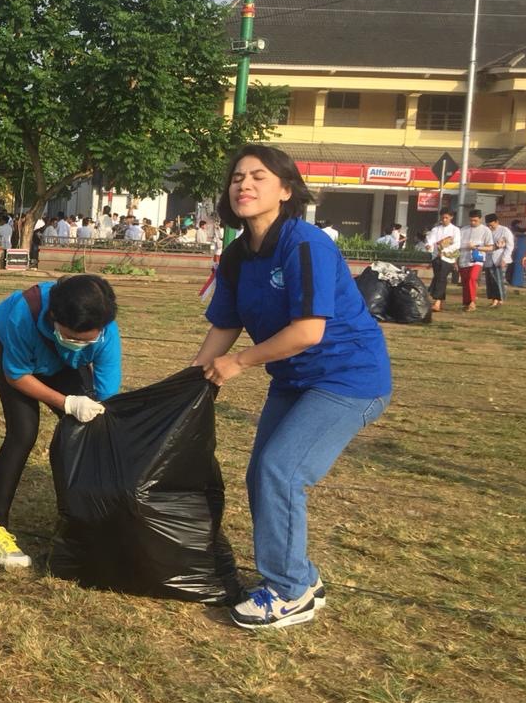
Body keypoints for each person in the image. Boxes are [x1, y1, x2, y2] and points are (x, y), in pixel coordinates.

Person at [193, 144, 391, 629]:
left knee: (282, 471)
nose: (244, 185)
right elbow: (225, 323)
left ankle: (288, 591)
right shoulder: (239, 255)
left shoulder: (305, 245)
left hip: (348, 379)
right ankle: (303, 577)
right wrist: (190, 381)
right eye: (237, 177)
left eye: (259, 177)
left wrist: (238, 363)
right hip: (293, 380)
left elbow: (309, 332)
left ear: (285, 190)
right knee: (263, 473)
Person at [0, 274, 122, 568]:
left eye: (87, 341)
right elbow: (17, 376)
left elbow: (107, 398)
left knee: (85, 428)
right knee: (23, 432)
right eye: (71, 337)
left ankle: (72, 519)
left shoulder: (105, 332)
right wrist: (67, 402)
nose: (78, 344)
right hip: (21, 356)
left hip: (61, 361)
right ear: (54, 317)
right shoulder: (23, 315)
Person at [456, 209, 492, 313]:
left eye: (475, 220)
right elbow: (457, 246)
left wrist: (477, 248)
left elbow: (490, 247)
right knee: (465, 282)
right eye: (471, 220)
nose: (473, 223)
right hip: (464, 259)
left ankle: (472, 302)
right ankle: (467, 302)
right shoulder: (463, 230)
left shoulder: (486, 231)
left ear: (480, 219)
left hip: (477, 259)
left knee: (472, 278)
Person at [424, 211, 461, 312]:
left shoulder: (455, 230)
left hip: (448, 258)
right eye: (443, 218)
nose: (444, 220)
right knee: (438, 277)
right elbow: (430, 240)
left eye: (446, 218)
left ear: (451, 217)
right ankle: (440, 300)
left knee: (441, 277)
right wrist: (429, 246)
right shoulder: (436, 229)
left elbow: (456, 245)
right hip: (436, 257)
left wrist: (444, 251)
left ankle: (437, 301)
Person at [484, 213, 512, 307]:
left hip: (500, 258)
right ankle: (493, 299)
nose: (490, 227)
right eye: (488, 225)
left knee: (499, 280)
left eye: (491, 225)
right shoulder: (486, 231)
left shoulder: (504, 230)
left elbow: (510, 246)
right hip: (488, 258)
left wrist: (504, 258)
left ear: (496, 222)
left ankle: (500, 299)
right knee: (490, 280)